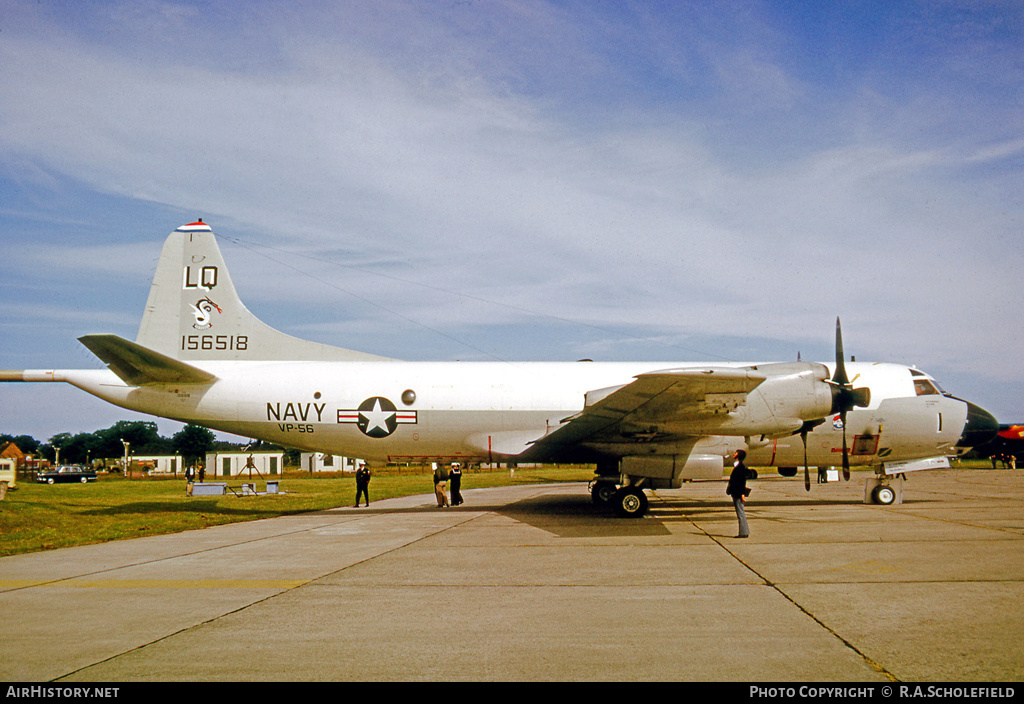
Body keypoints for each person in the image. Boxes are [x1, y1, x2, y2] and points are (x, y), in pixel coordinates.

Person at [726, 449, 751, 538]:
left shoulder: (740, 467)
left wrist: (742, 494)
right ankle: (744, 531)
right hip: (736, 492)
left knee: (740, 513)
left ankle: (743, 533)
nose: (733, 454)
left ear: (738, 456)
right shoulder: (738, 466)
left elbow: (741, 482)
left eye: (735, 453)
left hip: (738, 493)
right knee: (740, 512)